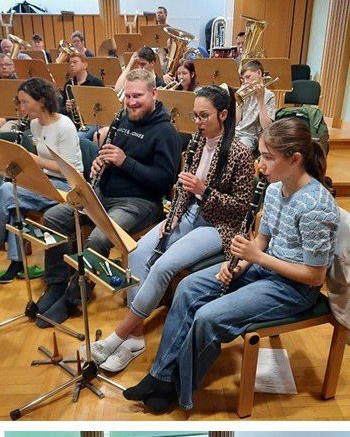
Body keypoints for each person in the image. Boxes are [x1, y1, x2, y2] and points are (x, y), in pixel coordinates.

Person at [123, 117, 339, 413]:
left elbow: (315, 277)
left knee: (208, 316)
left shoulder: (315, 206)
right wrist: (237, 267)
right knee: (187, 287)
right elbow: (261, 241)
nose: (260, 166)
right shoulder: (276, 189)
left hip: (293, 288)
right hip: (264, 270)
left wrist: (256, 258)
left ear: (295, 160)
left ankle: (178, 389)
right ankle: (160, 377)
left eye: (267, 158)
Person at [85, 85, 254, 372]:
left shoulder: (240, 153)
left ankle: (120, 334)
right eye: (195, 116)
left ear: (223, 115)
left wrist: (204, 190)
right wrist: (174, 216)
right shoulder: (197, 143)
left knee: (163, 266)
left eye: (204, 116)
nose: (197, 123)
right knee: (137, 254)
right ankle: (136, 337)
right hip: (189, 214)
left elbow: (242, 208)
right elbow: (184, 188)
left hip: (219, 225)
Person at [39, 68, 180, 324]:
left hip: (140, 202)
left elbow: (164, 182)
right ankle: (57, 283)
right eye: (127, 96)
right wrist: (98, 164)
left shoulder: (165, 132)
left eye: (138, 96)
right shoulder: (123, 120)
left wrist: (125, 162)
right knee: (53, 218)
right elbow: (109, 156)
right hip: (104, 193)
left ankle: (73, 299)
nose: (131, 102)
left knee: (98, 239)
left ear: (154, 94)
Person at [0, 77, 82, 282]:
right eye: (20, 102)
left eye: (25, 102)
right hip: (46, 179)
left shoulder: (65, 126)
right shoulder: (35, 125)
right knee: (11, 190)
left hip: (69, 186)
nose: (22, 107)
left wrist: (37, 161)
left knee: (8, 193)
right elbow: (38, 161)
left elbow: (68, 170)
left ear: (42, 101)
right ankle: (15, 260)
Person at [235, 59, 275, 154]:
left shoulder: (269, 96)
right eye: (243, 79)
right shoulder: (244, 92)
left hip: (251, 137)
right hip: (235, 132)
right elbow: (235, 122)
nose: (245, 82)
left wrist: (261, 100)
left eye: (248, 77)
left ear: (259, 73)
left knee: (237, 151)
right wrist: (238, 103)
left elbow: (267, 127)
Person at [63, 52, 104, 142]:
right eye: (70, 63)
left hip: (92, 122)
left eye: (75, 62)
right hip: (73, 122)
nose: (72, 65)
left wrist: (83, 105)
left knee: (78, 137)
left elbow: (103, 107)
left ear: (85, 65)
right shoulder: (68, 84)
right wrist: (67, 108)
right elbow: (60, 109)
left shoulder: (95, 83)